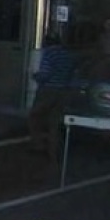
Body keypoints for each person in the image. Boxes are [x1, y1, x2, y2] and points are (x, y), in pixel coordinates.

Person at [28, 32, 76, 161]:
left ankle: (38, 145)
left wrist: (35, 76)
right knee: (54, 122)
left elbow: (45, 74)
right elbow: (72, 75)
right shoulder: (68, 55)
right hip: (63, 91)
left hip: (48, 90)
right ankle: (53, 151)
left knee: (35, 116)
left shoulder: (49, 53)